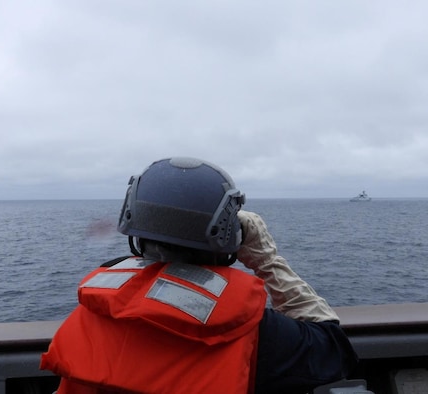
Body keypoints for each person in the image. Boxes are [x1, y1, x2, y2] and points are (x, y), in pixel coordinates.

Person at [40, 157, 358, 393]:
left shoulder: (98, 305)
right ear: (228, 236)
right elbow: (335, 350)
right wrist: (267, 259)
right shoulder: (260, 335)